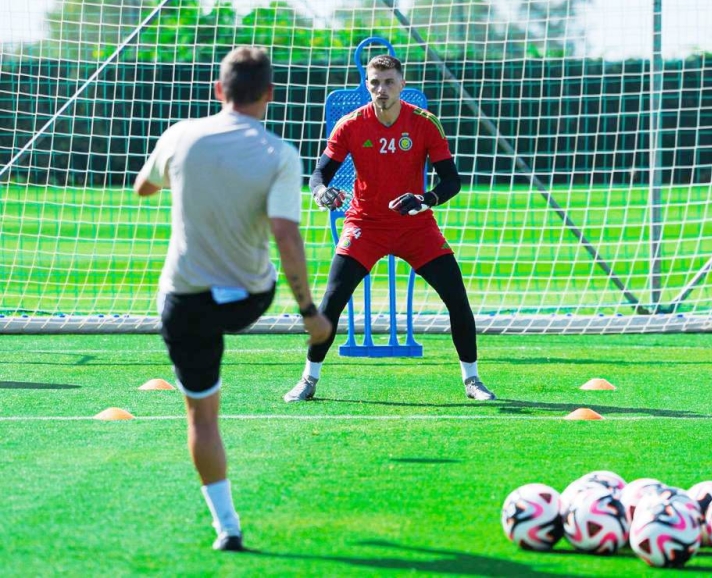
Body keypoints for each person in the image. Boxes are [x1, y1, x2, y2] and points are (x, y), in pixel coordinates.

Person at [133, 46, 332, 552]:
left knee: (202, 417)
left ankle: (228, 527)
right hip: (248, 298)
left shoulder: (180, 135)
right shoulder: (280, 155)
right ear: (269, 94)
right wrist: (310, 314)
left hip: (187, 301)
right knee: (249, 281)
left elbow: (142, 188)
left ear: (218, 91)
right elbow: (286, 236)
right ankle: (226, 526)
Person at [283, 54, 495, 403]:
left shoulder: (425, 123)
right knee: (331, 301)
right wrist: (322, 192)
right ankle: (308, 379)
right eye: (374, 82)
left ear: (402, 84)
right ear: (367, 84)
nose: (381, 89)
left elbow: (451, 181)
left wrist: (425, 199)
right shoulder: (350, 125)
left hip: (416, 227)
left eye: (389, 82)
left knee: (457, 299)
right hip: (365, 225)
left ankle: (472, 380)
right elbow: (319, 175)